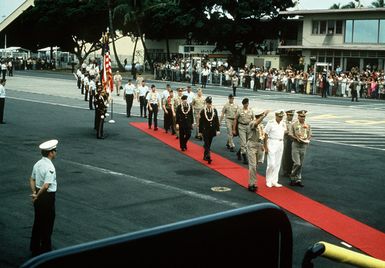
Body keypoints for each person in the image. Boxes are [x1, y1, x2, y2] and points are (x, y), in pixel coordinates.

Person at [29, 139, 58, 256]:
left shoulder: (37, 164)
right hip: (47, 197)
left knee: (38, 221)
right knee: (48, 222)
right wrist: (38, 196)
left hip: (38, 193)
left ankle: (34, 247)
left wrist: (34, 193)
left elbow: (31, 179)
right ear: (51, 153)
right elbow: (46, 186)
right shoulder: (50, 167)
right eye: (55, 151)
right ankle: (46, 248)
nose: (56, 152)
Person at [289, 110, 312, 187]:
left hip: (304, 145)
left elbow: (310, 134)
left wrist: (308, 138)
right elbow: (290, 134)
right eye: (301, 116)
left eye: (304, 116)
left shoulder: (308, 125)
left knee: (301, 164)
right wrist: (296, 138)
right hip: (296, 145)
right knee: (297, 163)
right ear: (298, 117)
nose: (303, 118)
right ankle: (292, 177)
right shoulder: (294, 124)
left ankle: (298, 179)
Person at [247, 110, 269, 192]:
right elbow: (255, 124)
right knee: (252, 166)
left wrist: (263, 145)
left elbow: (262, 136)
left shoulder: (261, 125)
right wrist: (264, 116)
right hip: (252, 145)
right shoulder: (252, 123)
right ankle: (252, 184)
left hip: (259, 145)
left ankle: (253, 182)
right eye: (260, 116)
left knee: (256, 166)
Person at [264, 110, 287, 188]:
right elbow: (265, 134)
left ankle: (274, 181)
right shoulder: (270, 123)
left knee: (277, 163)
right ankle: (268, 180)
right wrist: (265, 146)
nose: (280, 118)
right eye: (279, 116)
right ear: (276, 116)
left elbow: (285, 132)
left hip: (280, 142)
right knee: (271, 164)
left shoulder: (283, 123)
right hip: (272, 142)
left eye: (281, 117)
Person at [199, 96, 220, 164]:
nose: (209, 105)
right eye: (208, 103)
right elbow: (201, 122)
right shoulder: (203, 111)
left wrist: (218, 130)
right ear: (206, 103)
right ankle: (208, 155)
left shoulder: (214, 110)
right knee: (207, 143)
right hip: (205, 130)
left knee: (209, 143)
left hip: (212, 130)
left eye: (210, 103)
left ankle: (205, 155)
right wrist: (200, 131)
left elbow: (216, 120)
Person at [233, 98, 254, 164]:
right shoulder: (239, 110)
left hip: (249, 127)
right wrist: (234, 129)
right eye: (245, 103)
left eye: (247, 103)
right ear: (243, 104)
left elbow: (253, 119)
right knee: (243, 142)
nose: (247, 105)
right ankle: (245, 157)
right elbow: (235, 119)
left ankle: (239, 152)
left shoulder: (251, 110)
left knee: (247, 143)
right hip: (241, 127)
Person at [281, 110, 295, 177]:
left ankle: (291, 170)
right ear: (287, 115)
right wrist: (289, 131)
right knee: (286, 156)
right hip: (286, 139)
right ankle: (285, 171)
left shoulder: (294, 122)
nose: (291, 117)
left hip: (293, 140)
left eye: (292, 115)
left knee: (292, 156)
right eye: (290, 115)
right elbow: (282, 131)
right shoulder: (283, 122)